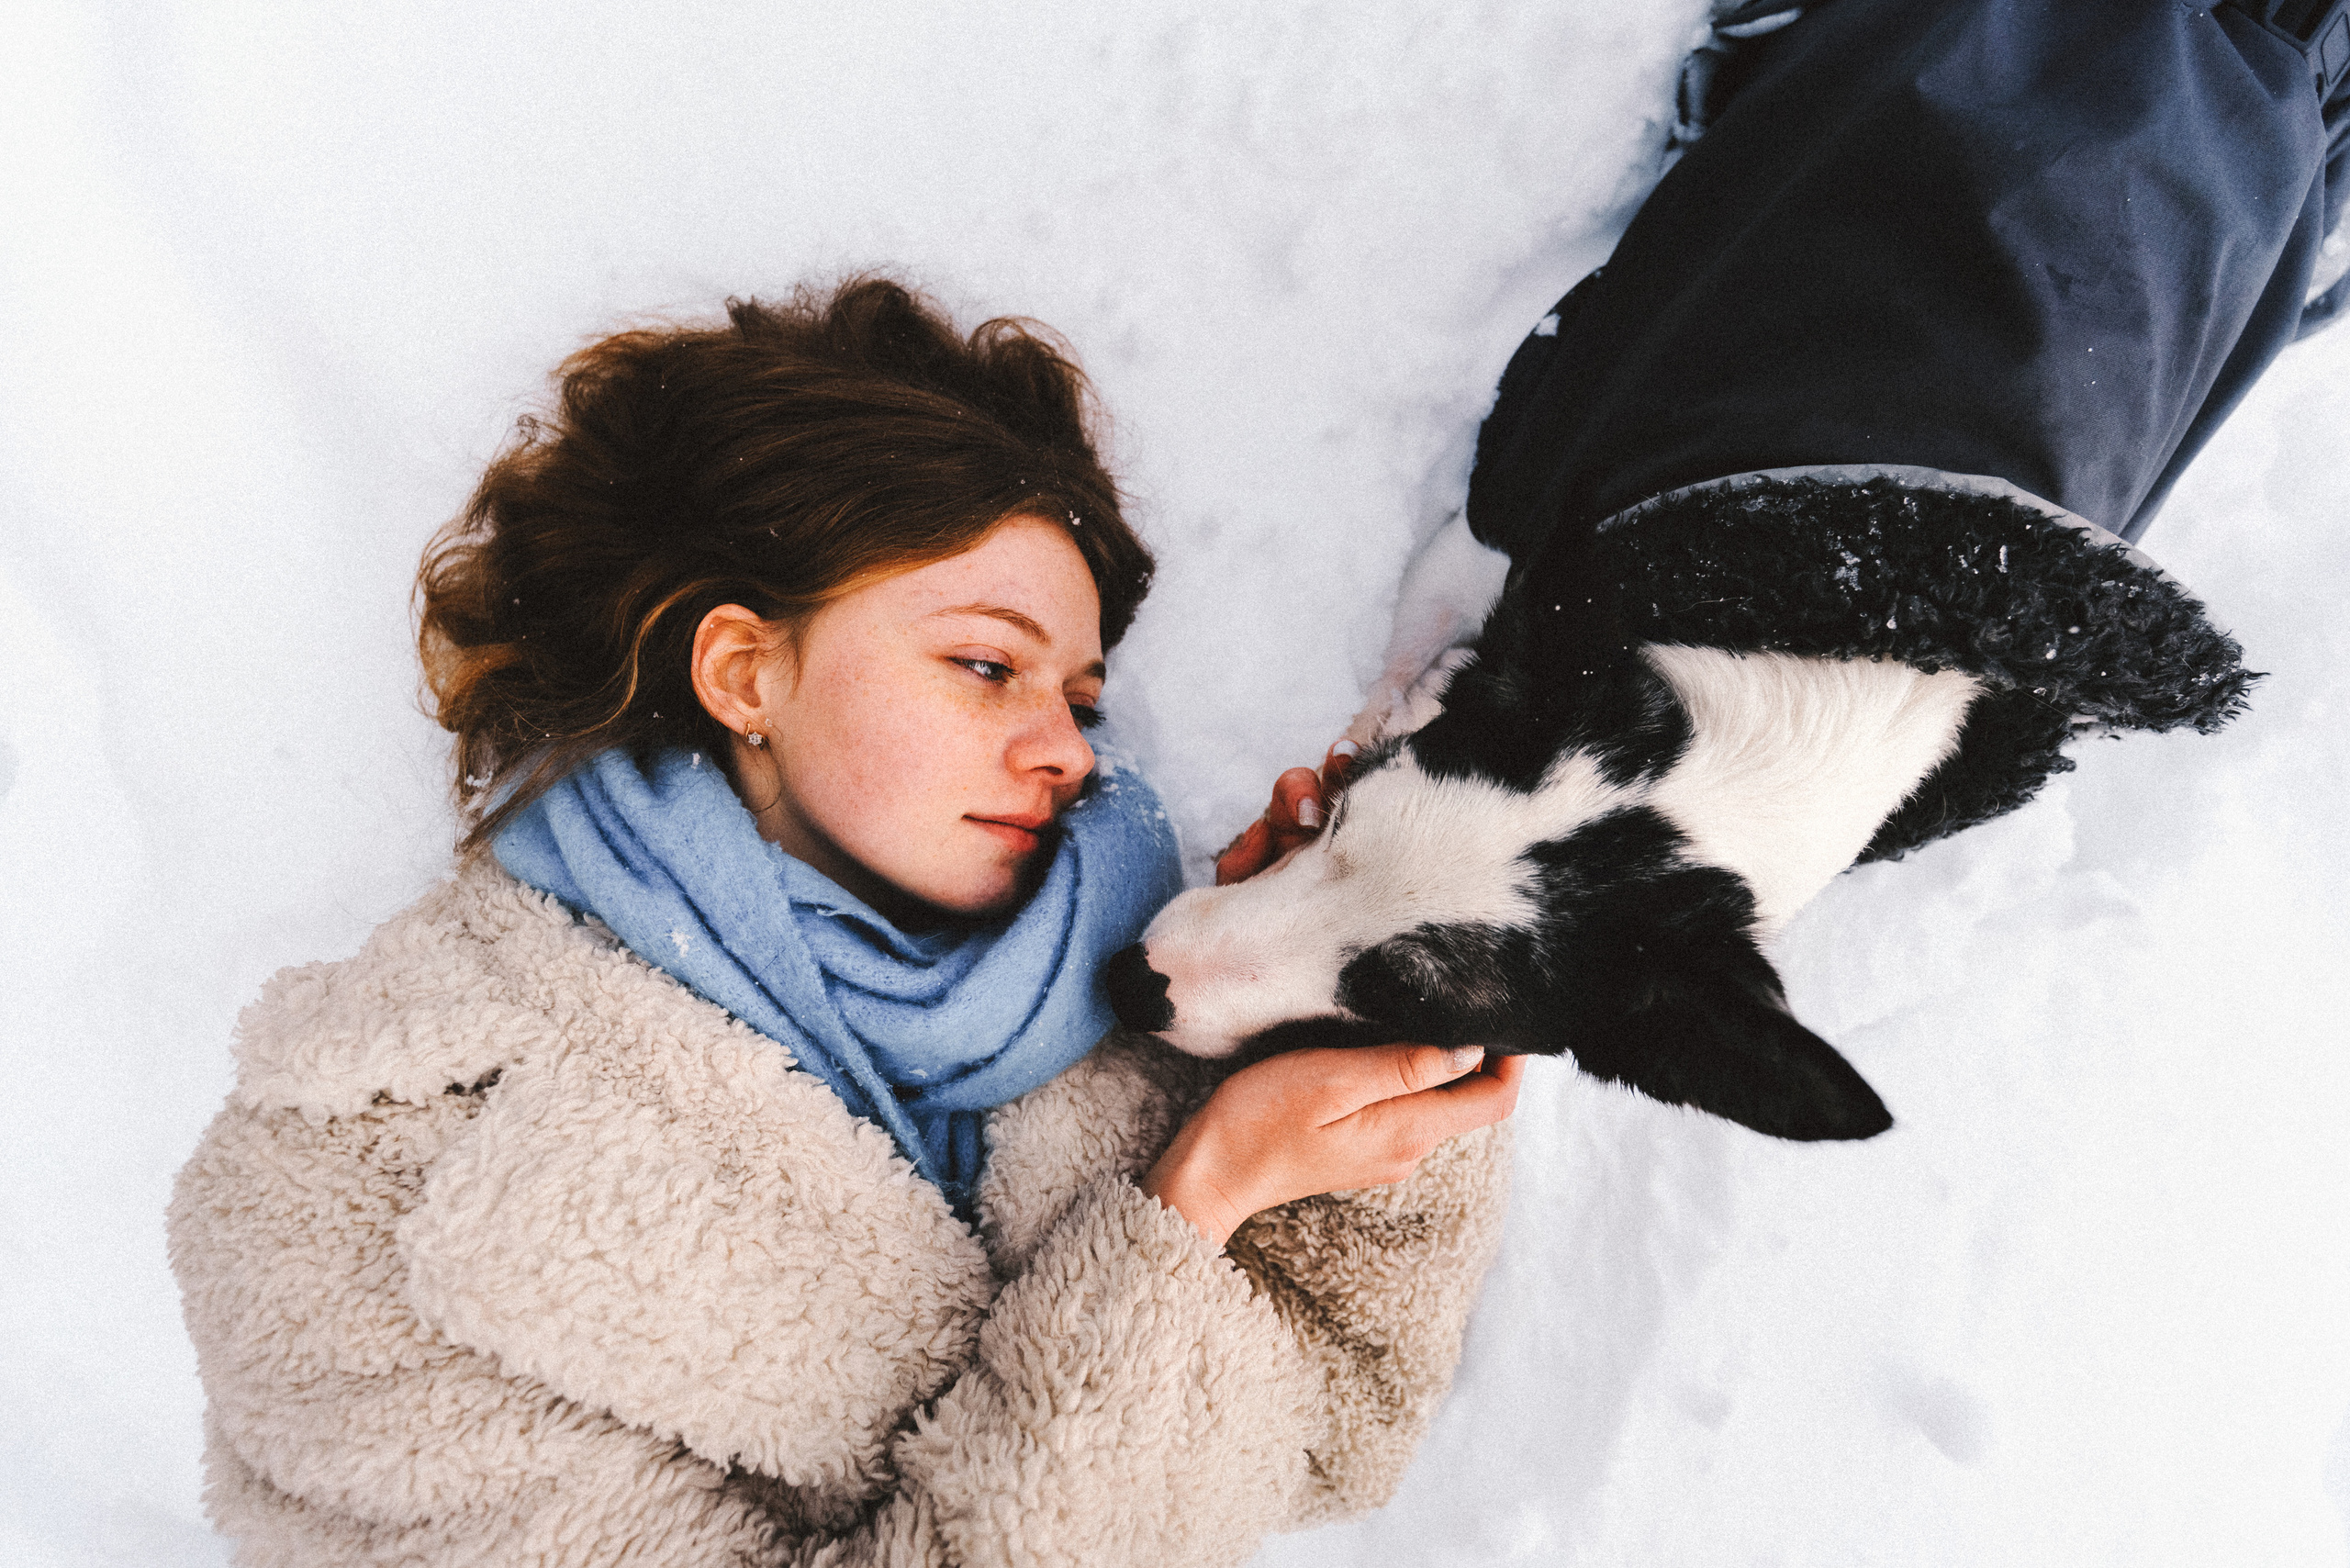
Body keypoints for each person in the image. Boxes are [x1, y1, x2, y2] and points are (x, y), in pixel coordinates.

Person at [166, 280, 1522, 1568]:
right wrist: (1192, 1205)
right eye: (987, 667)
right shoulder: (356, 1174)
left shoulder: (1126, 984)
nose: (1064, 750)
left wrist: (1327, 993)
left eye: (1082, 699)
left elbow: (1344, 1417)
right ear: (745, 670)